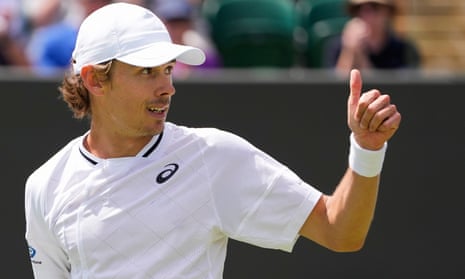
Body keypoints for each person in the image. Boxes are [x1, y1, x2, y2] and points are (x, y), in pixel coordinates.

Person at [24, 3, 401, 278]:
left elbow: (340, 231)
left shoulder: (213, 156)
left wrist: (367, 149)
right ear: (94, 80)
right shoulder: (44, 186)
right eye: (147, 72)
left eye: (168, 70)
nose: (167, 87)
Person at [325, 0, 421, 74]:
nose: (366, 14)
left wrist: (361, 55)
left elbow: (391, 91)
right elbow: (335, 89)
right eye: (358, 8)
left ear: (388, 12)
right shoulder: (337, 46)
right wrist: (350, 51)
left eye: (374, 7)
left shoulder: (404, 50)